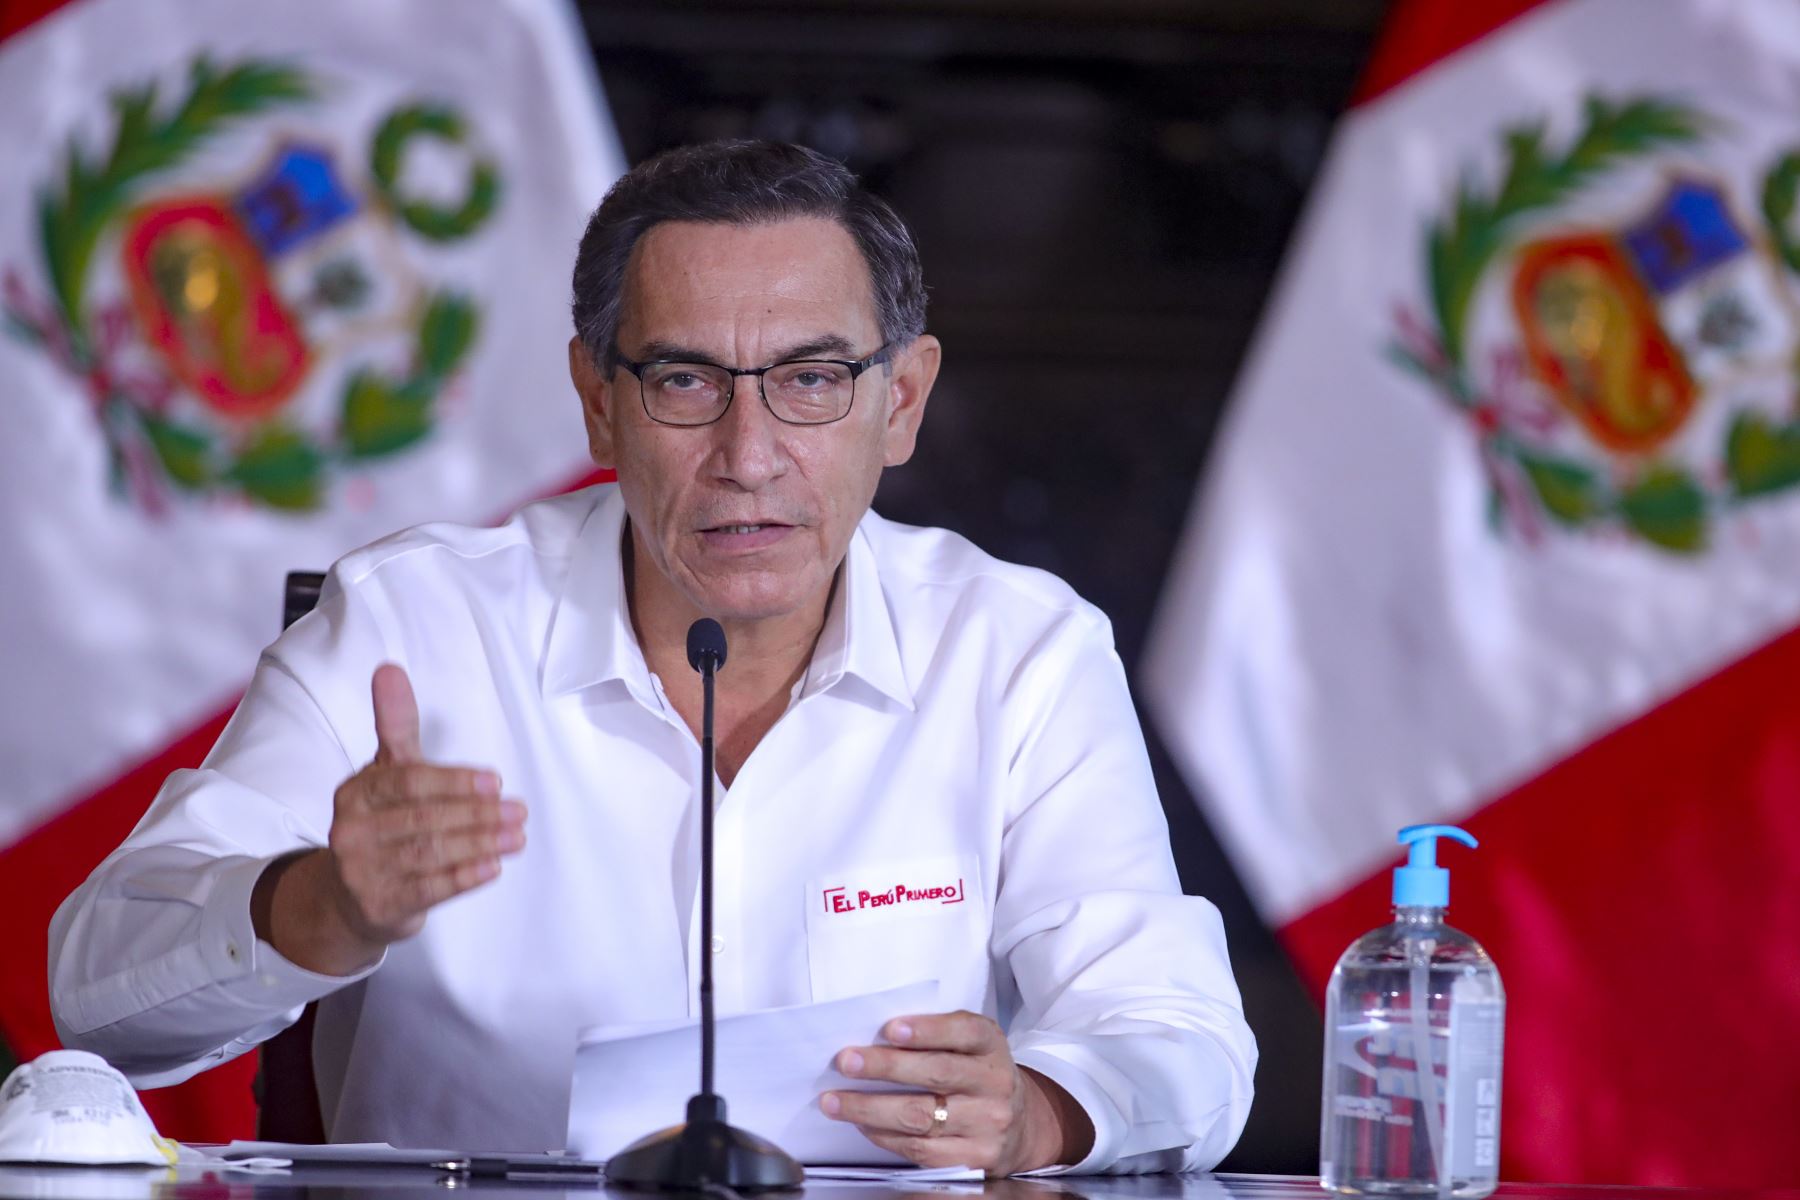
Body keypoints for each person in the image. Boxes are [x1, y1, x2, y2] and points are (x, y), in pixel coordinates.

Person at [48, 141, 1255, 1175]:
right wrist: (321, 904)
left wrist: (1039, 1114)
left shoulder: (1019, 652)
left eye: (812, 381)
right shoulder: (412, 627)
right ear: (598, 401)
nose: (749, 454)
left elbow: (1180, 1033)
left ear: (901, 402)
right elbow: (97, 992)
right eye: (685, 380)